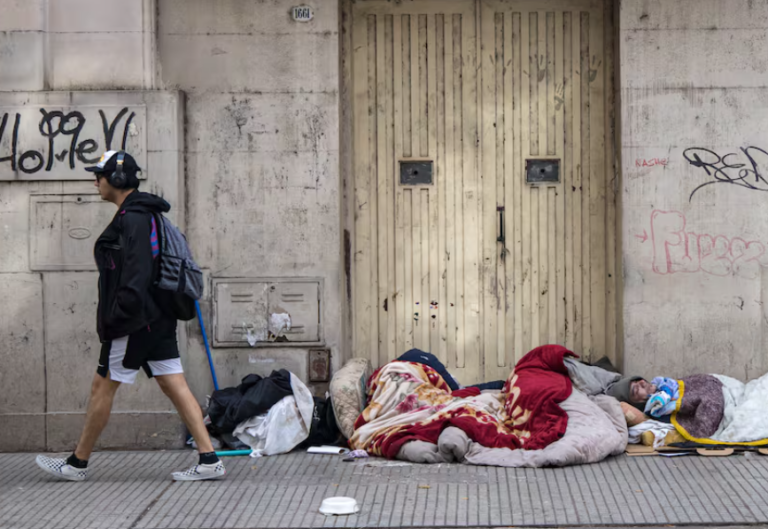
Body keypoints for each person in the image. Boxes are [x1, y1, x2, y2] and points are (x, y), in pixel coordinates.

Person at [35, 151, 225, 482]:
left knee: (102, 386)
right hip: (157, 317)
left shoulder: (134, 218)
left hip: (135, 321)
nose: (95, 181)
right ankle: (209, 459)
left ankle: (77, 464)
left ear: (117, 179)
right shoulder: (144, 213)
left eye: (99, 175)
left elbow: (136, 274)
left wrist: (117, 317)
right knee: (173, 382)